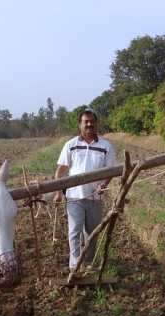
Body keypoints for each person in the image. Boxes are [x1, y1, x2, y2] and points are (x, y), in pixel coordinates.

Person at [54, 108, 117, 273]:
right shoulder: (71, 145)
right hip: (74, 196)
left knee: (92, 232)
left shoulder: (105, 146)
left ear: (96, 124)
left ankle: (89, 263)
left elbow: (111, 170)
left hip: (94, 197)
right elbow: (61, 170)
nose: (89, 124)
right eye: (85, 122)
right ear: (80, 125)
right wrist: (58, 192)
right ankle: (74, 265)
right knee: (74, 232)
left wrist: (104, 184)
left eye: (92, 122)